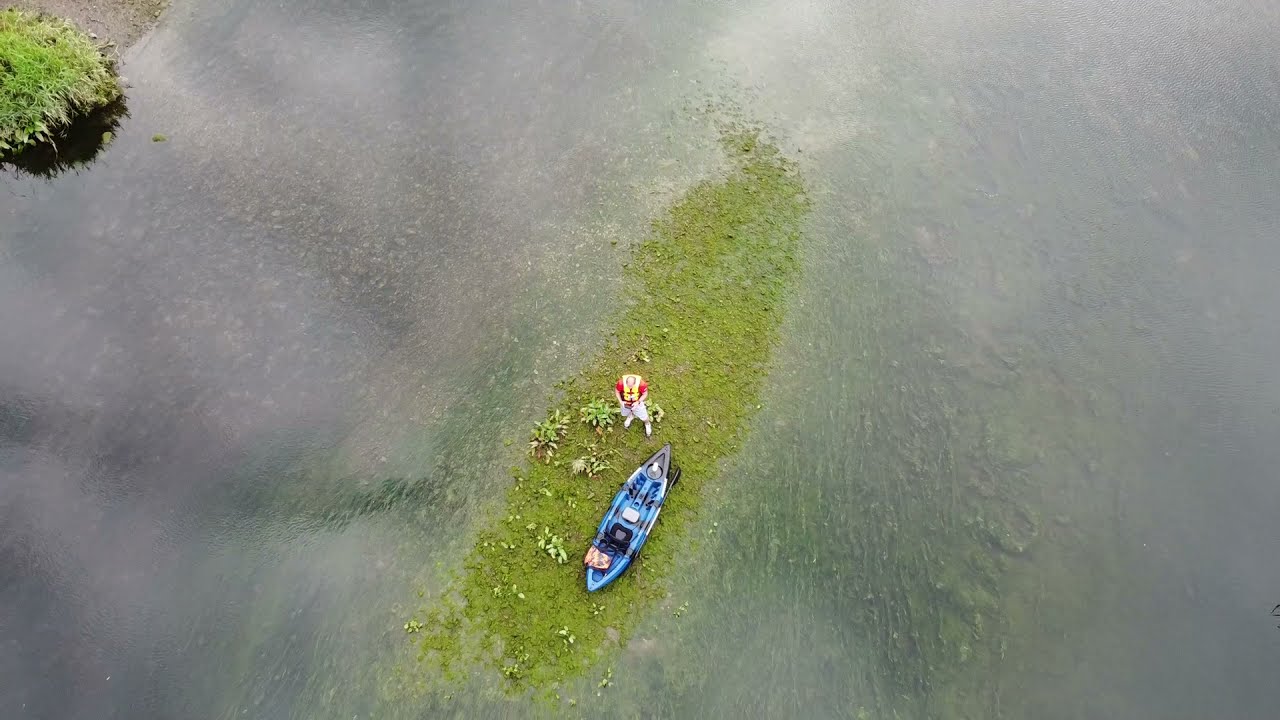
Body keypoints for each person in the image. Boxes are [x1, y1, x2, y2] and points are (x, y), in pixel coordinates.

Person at [615, 373, 652, 437]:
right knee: (625, 413)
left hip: (637, 403)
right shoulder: (621, 383)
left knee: (644, 416)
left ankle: (647, 423)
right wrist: (620, 401)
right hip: (625, 402)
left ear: (635, 383)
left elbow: (645, 393)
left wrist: (638, 402)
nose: (629, 387)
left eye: (631, 386)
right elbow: (617, 391)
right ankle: (631, 416)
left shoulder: (642, 384)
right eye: (628, 385)